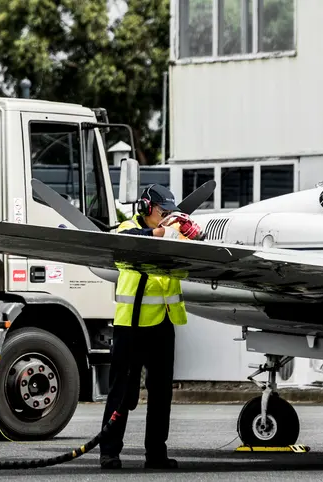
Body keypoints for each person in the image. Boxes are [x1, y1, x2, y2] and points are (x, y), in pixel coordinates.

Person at [100, 184, 202, 470]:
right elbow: (119, 241)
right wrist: (157, 233)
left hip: (164, 322)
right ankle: (109, 452)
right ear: (146, 209)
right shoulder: (127, 229)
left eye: (171, 212)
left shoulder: (174, 232)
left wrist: (195, 235)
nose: (167, 217)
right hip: (132, 324)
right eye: (162, 212)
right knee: (122, 392)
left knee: (161, 393)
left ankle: (156, 453)